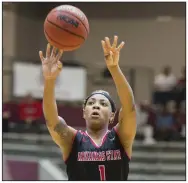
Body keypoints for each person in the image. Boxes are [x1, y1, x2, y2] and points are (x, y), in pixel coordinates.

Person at [39, 36, 136, 181]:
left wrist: (114, 69)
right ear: (84, 113)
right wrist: (50, 80)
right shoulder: (73, 140)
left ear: (112, 116)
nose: (96, 105)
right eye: (91, 103)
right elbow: (52, 121)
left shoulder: (121, 137)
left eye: (103, 104)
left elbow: (129, 108)